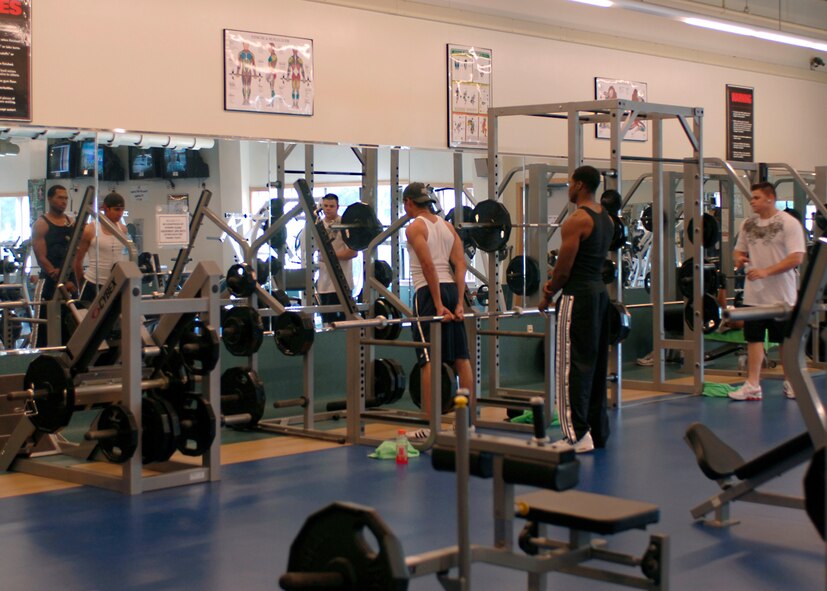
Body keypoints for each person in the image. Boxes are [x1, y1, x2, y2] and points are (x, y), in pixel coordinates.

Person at [538, 166, 614, 453]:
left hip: (577, 297)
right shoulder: (606, 218)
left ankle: (576, 435)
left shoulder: (577, 220)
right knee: (594, 366)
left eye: (570, 183)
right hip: (599, 296)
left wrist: (547, 294)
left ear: (580, 185)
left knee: (571, 367)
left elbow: (563, 270)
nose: (569, 188)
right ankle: (596, 431)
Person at [403, 182, 473, 439]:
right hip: (452, 290)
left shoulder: (415, 228)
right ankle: (467, 423)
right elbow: (461, 264)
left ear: (409, 202)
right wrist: (458, 303)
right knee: (461, 358)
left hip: (428, 293)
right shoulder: (447, 227)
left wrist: (439, 304)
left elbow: (427, 266)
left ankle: (430, 426)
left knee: (428, 359)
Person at [729, 182, 805, 401]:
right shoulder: (748, 224)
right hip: (755, 295)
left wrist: (766, 272)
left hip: (782, 296)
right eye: (752, 198)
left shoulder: (788, 223)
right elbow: (738, 251)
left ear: (770, 198)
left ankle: (791, 381)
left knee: (784, 341)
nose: (752, 201)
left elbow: (796, 257)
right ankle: (753, 385)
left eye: (756, 198)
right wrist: (739, 259)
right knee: (753, 339)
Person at [32, 184, 75, 347]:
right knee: (44, 330)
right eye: (60, 198)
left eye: (65, 198)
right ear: (50, 199)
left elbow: (75, 253)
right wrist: (56, 275)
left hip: (68, 282)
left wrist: (72, 279)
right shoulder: (41, 224)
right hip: (49, 283)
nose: (63, 202)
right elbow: (41, 257)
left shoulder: (71, 223)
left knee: (70, 328)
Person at [73, 192, 129, 304]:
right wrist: (81, 285)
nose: (120, 213)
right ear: (106, 209)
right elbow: (77, 261)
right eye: (117, 209)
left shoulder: (123, 230)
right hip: (93, 283)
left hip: (115, 283)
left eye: (122, 210)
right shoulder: (90, 229)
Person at [316, 193, 356, 324]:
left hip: (343, 282)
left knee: (345, 323)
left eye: (331, 206)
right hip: (324, 284)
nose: (328, 209)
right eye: (325, 206)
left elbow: (352, 252)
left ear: (337, 207)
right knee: (327, 323)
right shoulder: (318, 225)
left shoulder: (344, 225)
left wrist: (330, 256)